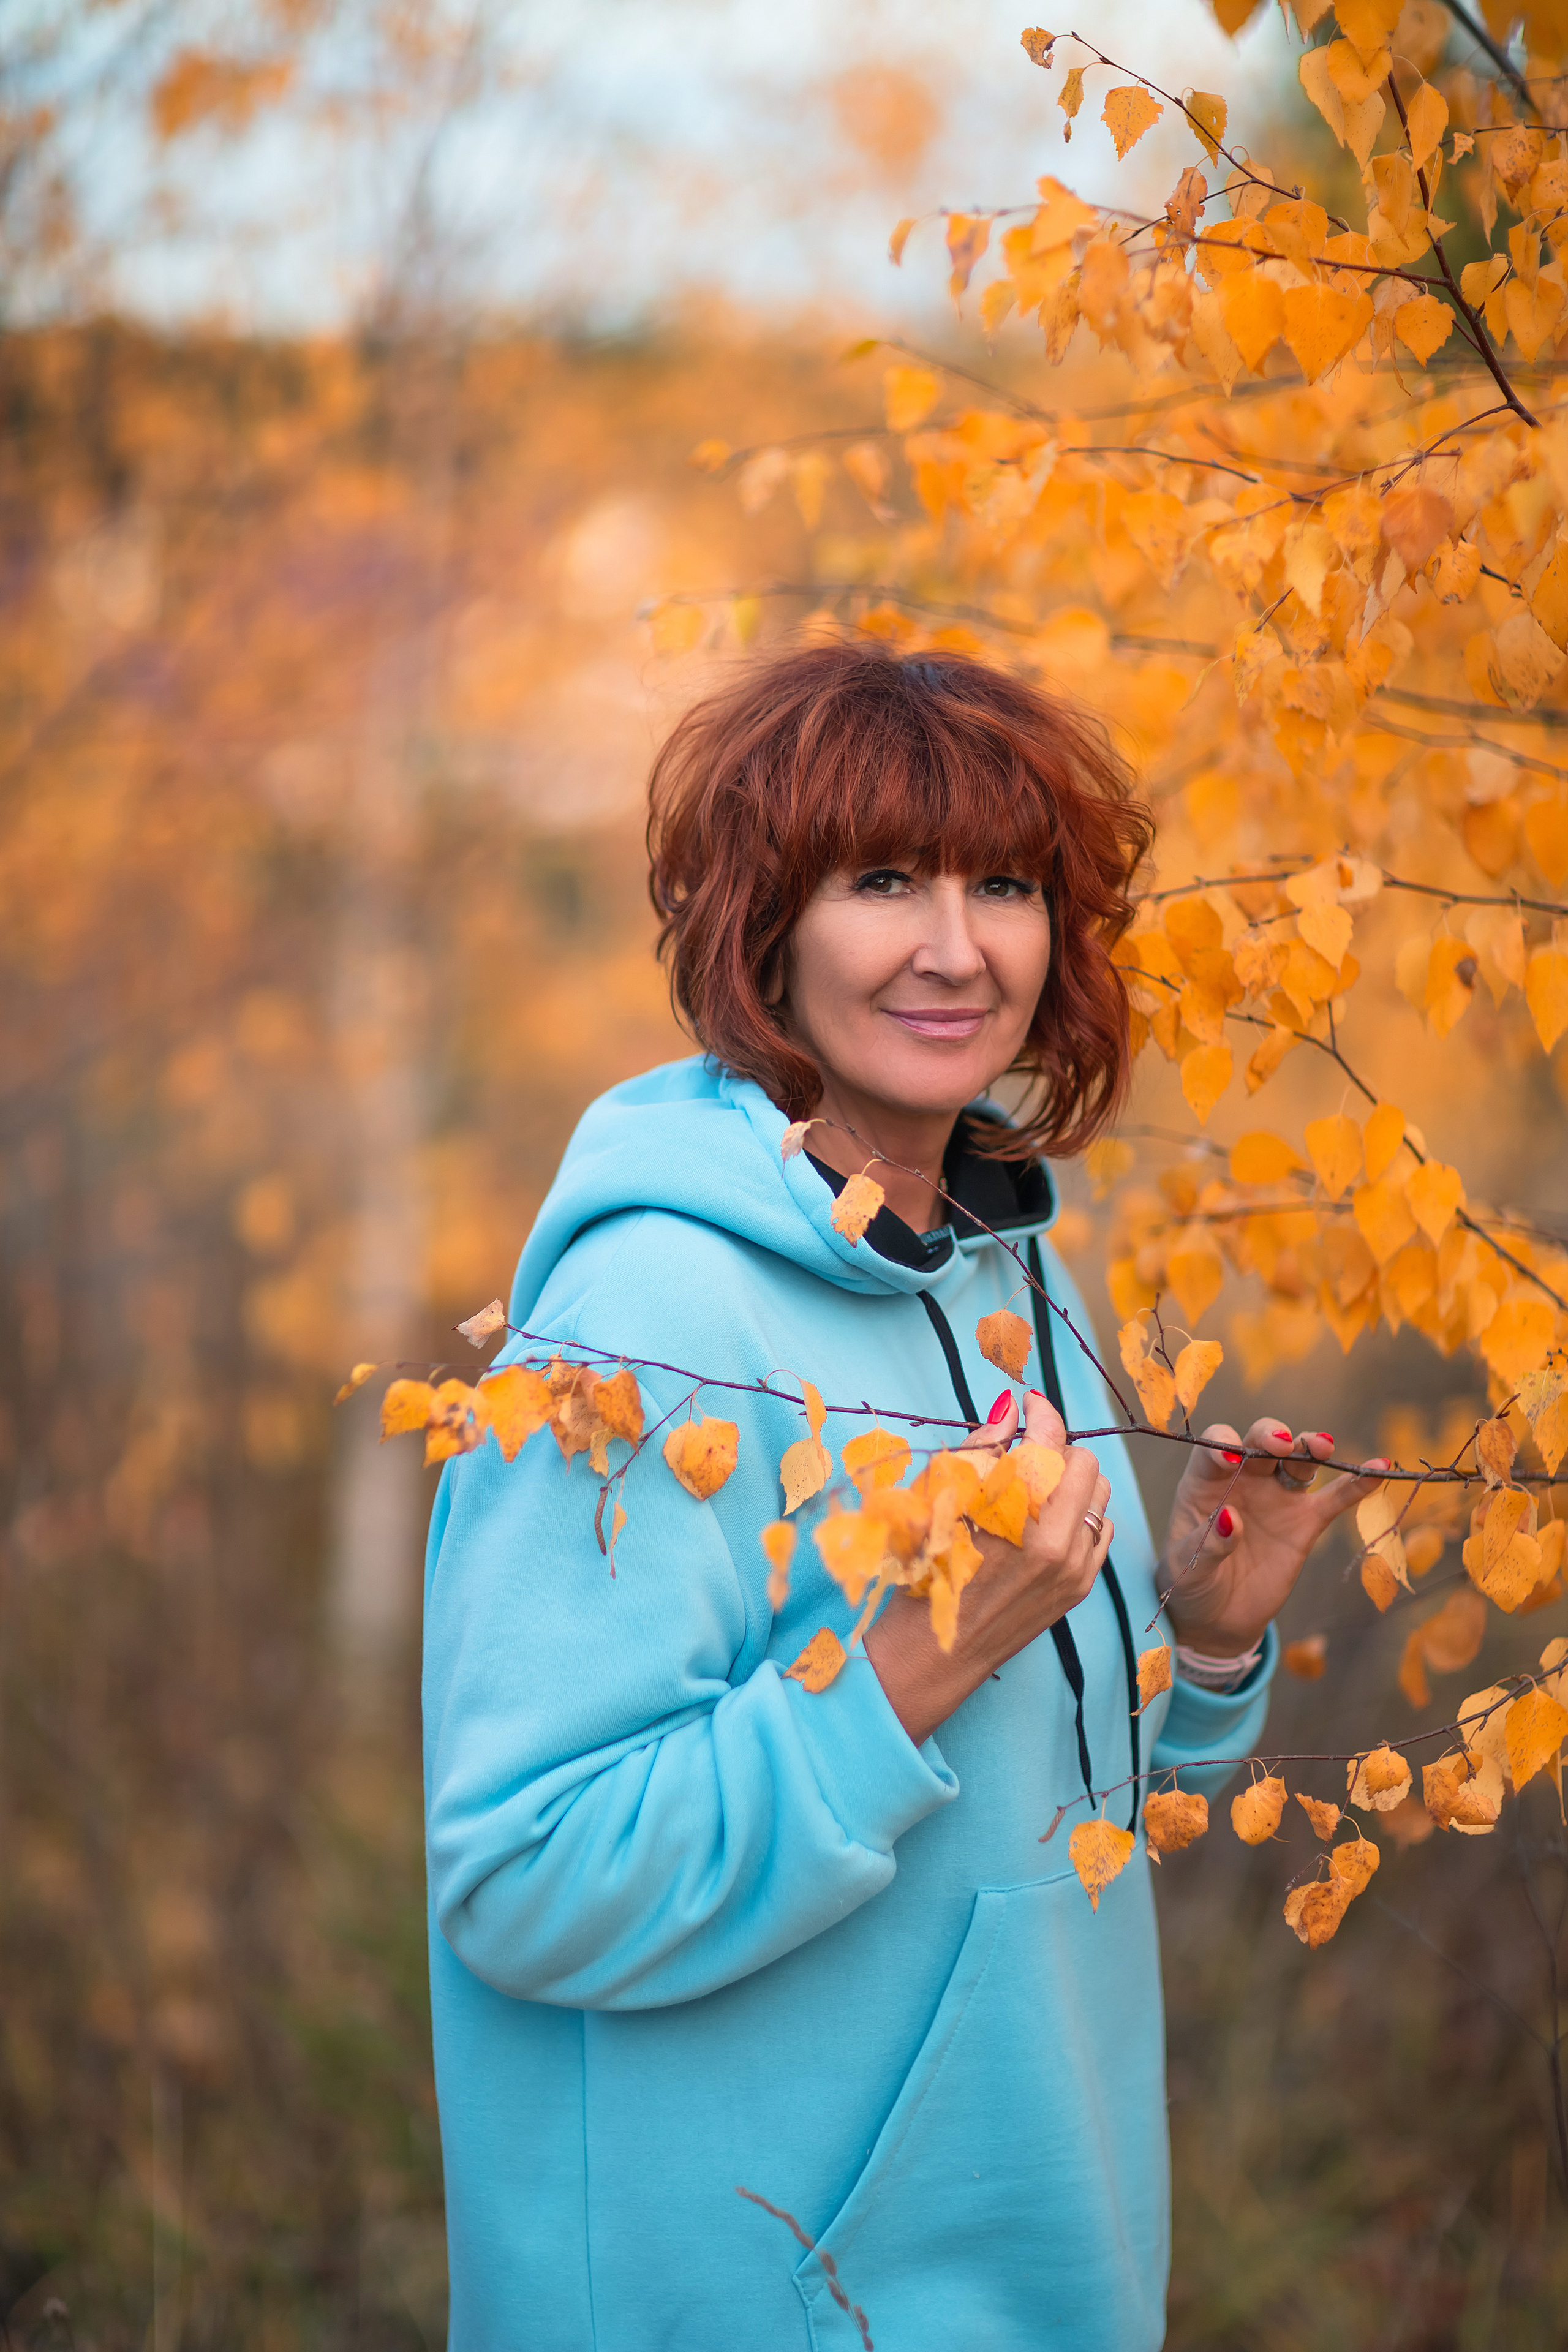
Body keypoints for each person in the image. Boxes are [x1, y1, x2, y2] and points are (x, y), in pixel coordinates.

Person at [421, 643, 1381, 2350]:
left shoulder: (1006, 1269)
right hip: (750, 2292)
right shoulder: (647, 1325)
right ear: (762, 930)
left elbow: (1023, 1792)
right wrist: (913, 1664)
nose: (957, 948)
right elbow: (526, 1880)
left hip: (1041, 2263)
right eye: (883, 883)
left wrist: (1203, 1652)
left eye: (1005, 886)